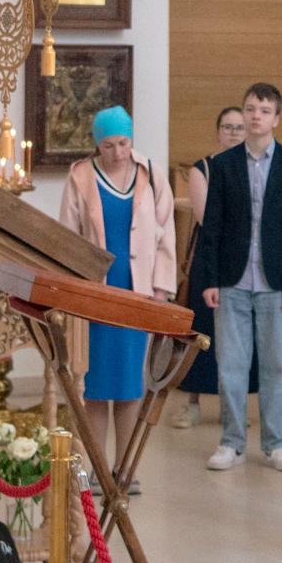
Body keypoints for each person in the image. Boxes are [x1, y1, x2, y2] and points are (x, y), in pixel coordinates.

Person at [57, 107, 179, 495]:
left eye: (124, 142)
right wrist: (72, 291)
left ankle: (126, 470)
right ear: (97, 144)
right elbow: (67, 237)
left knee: (129, 383)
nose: (119, 152)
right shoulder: (80, 177)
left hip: (137, 292)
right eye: (109, 145)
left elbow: (166, 234)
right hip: (95, 296)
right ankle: (96, 470)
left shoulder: (152, 174)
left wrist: (162, 289)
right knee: (95, 385)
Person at [197, 81, 282, 473]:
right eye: (250, 108)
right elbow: (211, 227)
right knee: (230, 362)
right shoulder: (225, 165)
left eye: (264, 110)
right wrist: (209, 279)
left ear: (276, 118)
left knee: (277, 365)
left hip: (276, 282)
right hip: (232, 279)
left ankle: (276, 442)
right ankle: (231, 441)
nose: (255, 116)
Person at [174, 104, 250, 427]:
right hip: (211, 259)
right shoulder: (202, 168)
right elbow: (208, 217)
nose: (233, 132)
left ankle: (232, 406)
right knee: (203, 330)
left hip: (245, 260)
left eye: (239, 127)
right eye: (227, 127)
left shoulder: (253, 167)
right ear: (218, 131)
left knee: (238, 334)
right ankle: (192, 402)